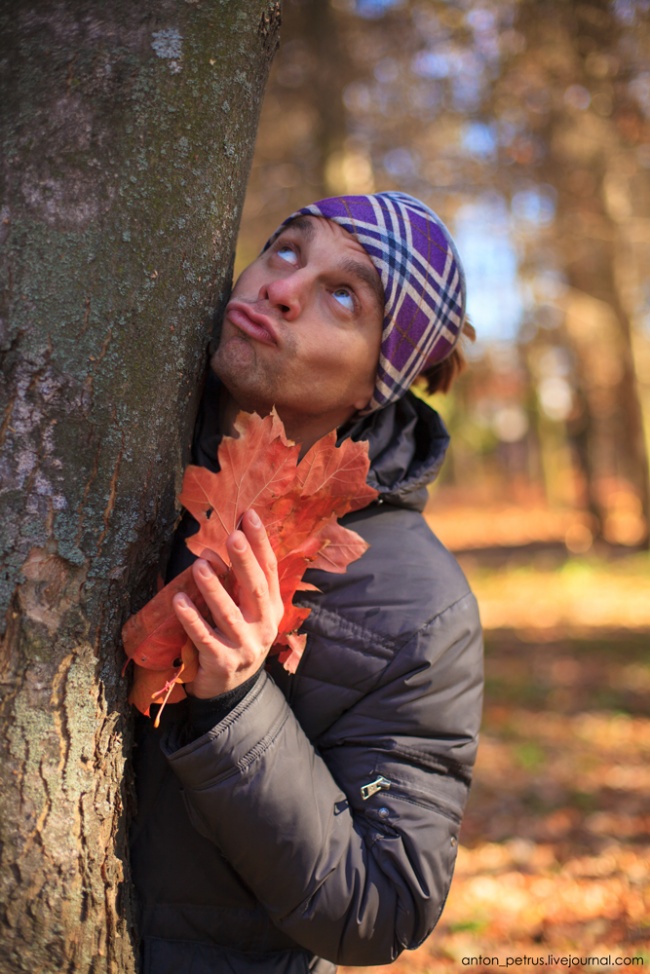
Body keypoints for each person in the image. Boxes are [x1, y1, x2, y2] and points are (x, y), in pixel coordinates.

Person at [130, 192, 484, 974]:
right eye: (287, 250)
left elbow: (383, 907)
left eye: (343, 295)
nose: (281, 288)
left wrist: (237, 703)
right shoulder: (93, 450)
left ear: (376, 385)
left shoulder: (420, 609)